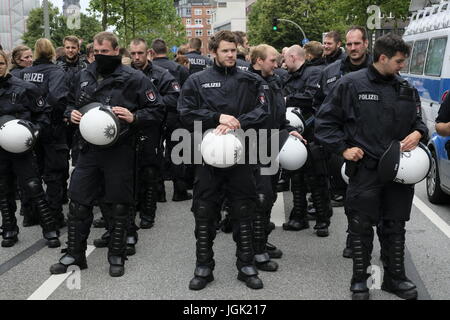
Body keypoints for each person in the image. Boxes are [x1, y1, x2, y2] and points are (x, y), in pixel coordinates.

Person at [315, 33, 427, 300]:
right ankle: (359, 281)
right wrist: (343, 148)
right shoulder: (350, 84)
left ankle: (395, 278)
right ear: (383, 58)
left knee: (395, 226)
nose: (403, 66)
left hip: (399, 171)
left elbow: (419, 122)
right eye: (399, 61)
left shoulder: (405, 88)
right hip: (365, 169)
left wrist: (419, 133)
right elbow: (325, 123)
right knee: (361, 226)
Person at [49, 32, 164, 277]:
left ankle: (117, 254)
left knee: (119, 205)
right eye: (97, 53)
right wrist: (70, 114)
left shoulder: (135, 78)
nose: (101, 57)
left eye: (106, 53)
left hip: (120, 150)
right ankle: (74, 254)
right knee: (79, 203)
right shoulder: (83, 74)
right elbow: (68, 104)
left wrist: (135, 117)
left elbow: (157, 109)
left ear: (116, 51)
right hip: (88, 150)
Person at [179, 30, 269, 290]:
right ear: (214, 53)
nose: (231, 55)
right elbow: (184, 113)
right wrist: (216, 117)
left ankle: (246, 265)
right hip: (207, 157)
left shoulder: (250, 80)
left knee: (244, 210)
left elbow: (264, 111)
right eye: (225, 51)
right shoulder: (196, 81)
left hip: (241, 156)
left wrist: (238, 122)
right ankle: (204, 266)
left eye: (233, 50)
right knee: (205, 211)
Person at [314, 26, 373, 257]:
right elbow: (318, 103)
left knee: (366, 196)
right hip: (340, 144)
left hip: (370, 143)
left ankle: (358, 237)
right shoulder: (329, 71)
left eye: (357, 43)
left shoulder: (378, 70)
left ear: (366, 44)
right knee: (349, 194)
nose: (353, 48)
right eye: (349, 44)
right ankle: (354, 236)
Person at [248, 44, 301, 270]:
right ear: (258, 61)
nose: (277, 64)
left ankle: (261, 241)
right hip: (253, 146)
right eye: (272, 60)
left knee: (268, 197)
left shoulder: (276, 81)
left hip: (273, 145)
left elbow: (278, 115)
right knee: (260, 197)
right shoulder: (247, 84)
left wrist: (288, 129)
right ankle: (255, 250)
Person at [0, 50, 61, 248]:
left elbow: (43, 113)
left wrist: (33, 131)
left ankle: (49, 227)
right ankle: (9, 228)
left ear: (7, 63)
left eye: (0, 63)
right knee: (3, 189)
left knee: (33, 186)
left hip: (21, 147)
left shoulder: (25, 88)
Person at [281, 43, 331, 237]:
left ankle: (322, 220)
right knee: (296, 176)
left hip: (313, 131)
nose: (283, 63)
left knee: (316, 176)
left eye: (286, 59)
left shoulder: (314, 73)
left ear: (293, 57)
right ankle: (298, 216)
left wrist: (287, 100)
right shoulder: (288, 77)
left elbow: (311, 98)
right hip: (294, 132)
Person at [19, 38, 69, 230]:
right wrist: (49, 117)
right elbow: (56, 98)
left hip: (28, 128)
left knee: (31, 172)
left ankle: (31, 214)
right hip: (51, 129)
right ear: (52, 53)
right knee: (54, 173)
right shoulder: (56, 72)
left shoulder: (24, 73)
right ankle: (55, 216)